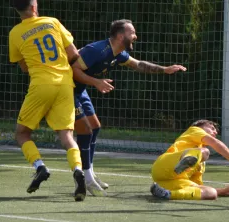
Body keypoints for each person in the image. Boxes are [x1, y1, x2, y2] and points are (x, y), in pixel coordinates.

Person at [72, 19, 187, 196]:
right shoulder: (96, 50)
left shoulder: (118, 53)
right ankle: (85, 177)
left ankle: (90, 173)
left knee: (95, 127)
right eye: (132, 32)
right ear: (120, 36)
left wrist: (165, 69)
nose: (135, 36)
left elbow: (138, 64)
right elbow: (73, 70)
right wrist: (96, 82)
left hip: (80, 91)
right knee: (86, 131)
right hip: (66, 90)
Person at [9, 0, 87, 201]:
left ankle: (40, 166)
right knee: (67, 136)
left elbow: (24, 68)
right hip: (64, 84)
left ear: (18, 11)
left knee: (22, 133)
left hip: (41, 85)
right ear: (34, 7)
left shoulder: (15, 33)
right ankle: (77, 171)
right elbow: (74, 54)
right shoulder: (52, 22)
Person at [150, 120, 229, 200]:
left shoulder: (201, 164)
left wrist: (225, 191)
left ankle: (168, 194)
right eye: (212, 128)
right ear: (199, 127)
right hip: (164, 166)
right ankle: (183, 161)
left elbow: (197, 187)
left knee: (211, 193)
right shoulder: (194, 130)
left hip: (169, 182)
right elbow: (216, 143)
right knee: (205, 152)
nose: (215, 132)